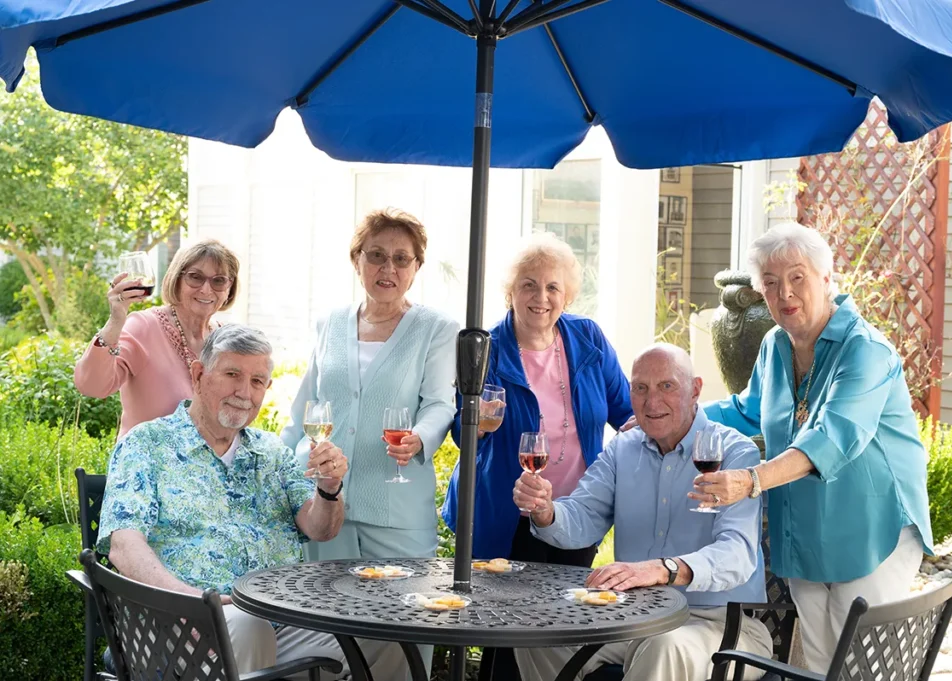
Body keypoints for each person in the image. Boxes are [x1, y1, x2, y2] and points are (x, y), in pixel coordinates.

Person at [95, 324, 404, 680]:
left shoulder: (272, 451)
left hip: (280, 621)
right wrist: (192, 600)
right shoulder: (147, 445)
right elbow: (124, 547)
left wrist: (330, 488)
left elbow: (320, 528)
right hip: (175, 621)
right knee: (248, 624)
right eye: (232, 374)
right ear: (198, 374)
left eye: (257, 381)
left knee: (384, 632)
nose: (244, 392)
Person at [697, 221, 933, 673]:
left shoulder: (866, 351)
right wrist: (680, 413)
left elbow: (831, 439)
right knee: (823, 667)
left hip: (874, 530)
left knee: (859, 668)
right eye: (770, 283)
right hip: (804, 531)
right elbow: (748, 409)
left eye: (797, 277)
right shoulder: (773, 345)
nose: (784, 293)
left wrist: (751, 481)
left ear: (826, 279)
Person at [512, 343, 772, 681]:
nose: (652, 402)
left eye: (667, 386)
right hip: (634, 619)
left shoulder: (736, 453)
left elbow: (736, 556)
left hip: (723, 626)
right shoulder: (623, 448)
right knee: (537, 632)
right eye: (640, 388)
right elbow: (582, 517)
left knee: (664, 646)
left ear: (694, 390)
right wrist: (546, 511)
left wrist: (665, 569)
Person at [281, 209, 458, 676]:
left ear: (417, 267)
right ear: (356, 260)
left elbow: (441, 402)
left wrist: (419, 438)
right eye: (376, 256)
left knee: (404, 635)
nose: (388, 269)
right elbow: (306, 406)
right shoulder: (330, 323)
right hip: (326, 506)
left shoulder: (437, 329)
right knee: (328, 635)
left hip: (397, 507)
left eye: (402, 259)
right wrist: (282, 466)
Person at [442, 232, 632, 569]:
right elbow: (461, 435)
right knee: (506, 613)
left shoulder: (589, 338)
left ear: (567, 296)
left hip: (576, 510)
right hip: (505, 512)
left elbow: (627, 412)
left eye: (552, 288)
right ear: (510, 291)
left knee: (567, 609)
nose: (540, 297)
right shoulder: (486, 350)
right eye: (529, 285)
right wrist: (479, 424)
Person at [75, 239, 240, 438]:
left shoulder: (226, 341)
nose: (206, 289)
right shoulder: (144, 327)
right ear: (175, 279)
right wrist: (116, 320)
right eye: (195, 277)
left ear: (229, 288)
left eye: (219, 280)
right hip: (145, 465)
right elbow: (92, 385)